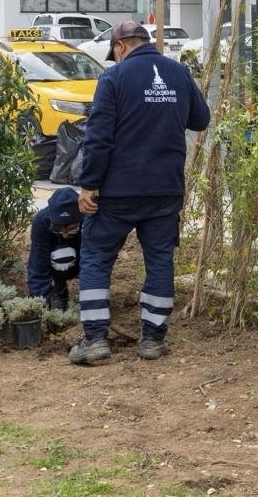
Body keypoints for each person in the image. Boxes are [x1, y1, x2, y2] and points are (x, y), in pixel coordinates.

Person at [71, 20, 209, 365]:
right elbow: (201, 119)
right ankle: (152, 341)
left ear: (120, 47)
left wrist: (89, 186)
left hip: (118, 192)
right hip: (165, 189)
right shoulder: (177, 72)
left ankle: (95, 340)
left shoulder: (114, 78)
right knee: (160, 260)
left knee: (97, 258)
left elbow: (98, 138)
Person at [26, 186, 82, 311]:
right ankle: (59, 289)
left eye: (72, 229)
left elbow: (94, 259)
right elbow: (38, 266)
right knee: (61, 255)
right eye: (58, 229)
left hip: (81, 257)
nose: (65, 234)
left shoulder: (88, 220)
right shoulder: (41, 222)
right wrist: (42, 305)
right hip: (55, 260)